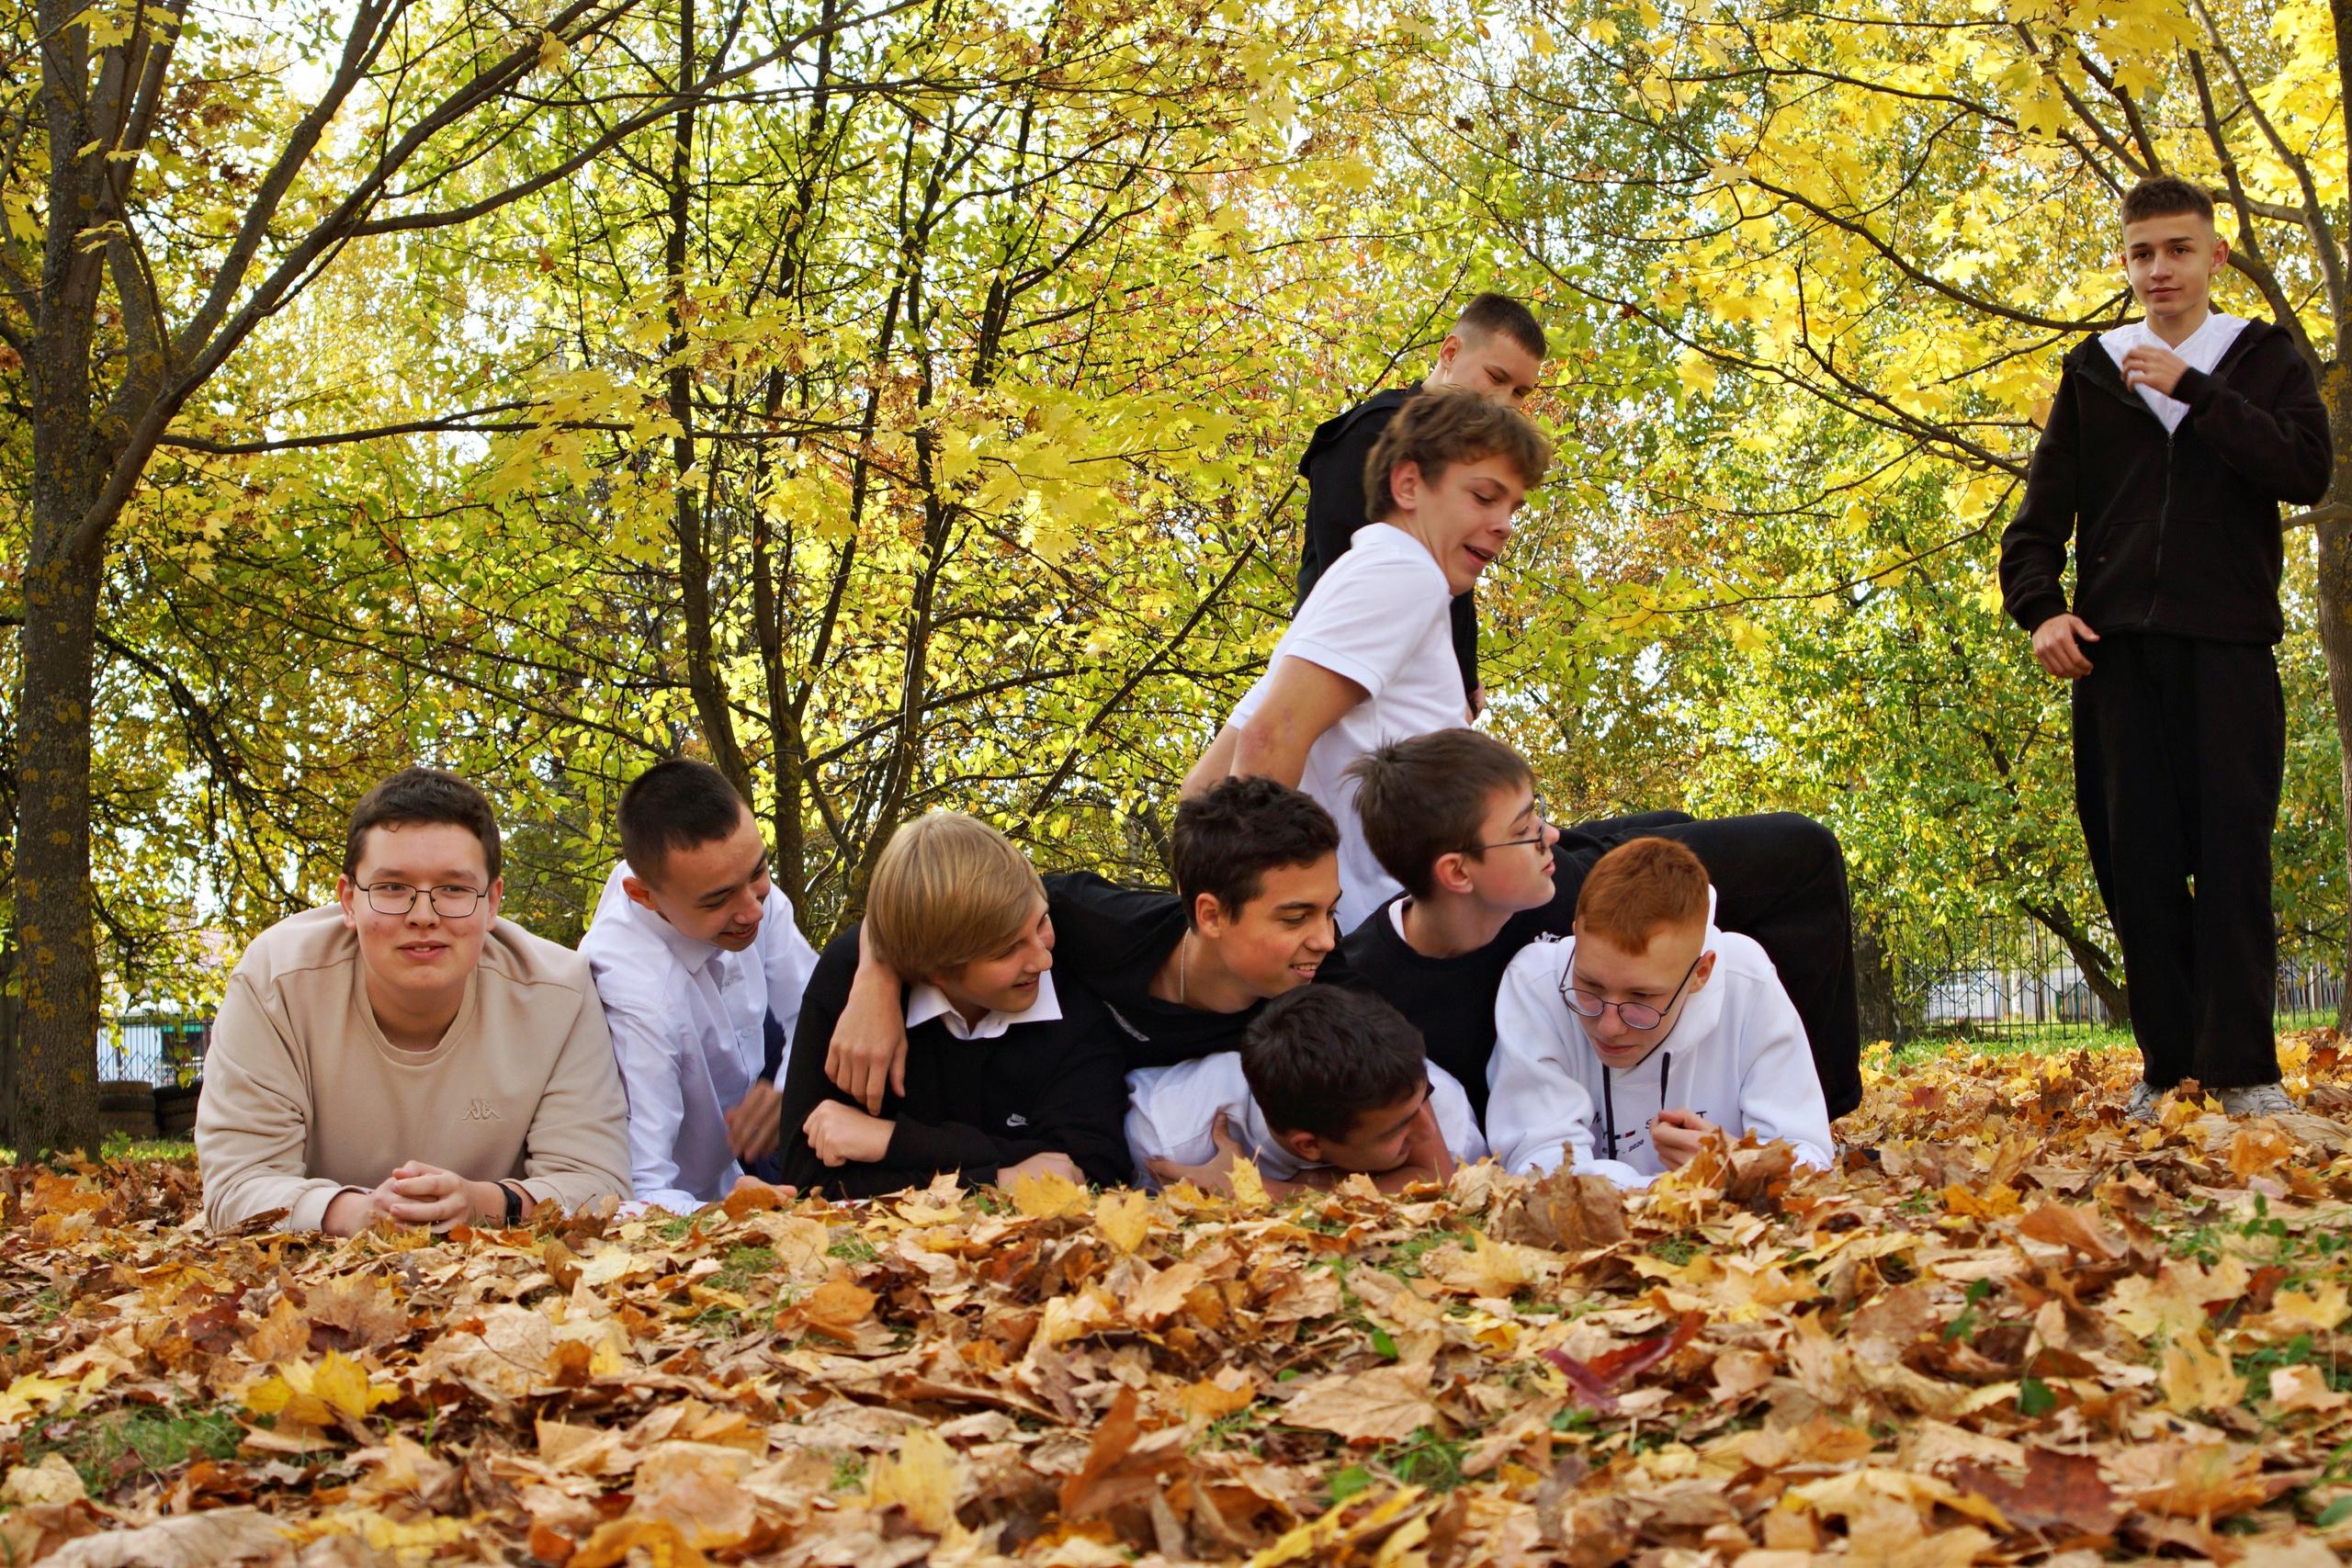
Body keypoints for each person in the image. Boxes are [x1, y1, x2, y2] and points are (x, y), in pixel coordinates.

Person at [1998, 175, 2332, 1122]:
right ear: (2124, 261)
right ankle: (2170, 1071)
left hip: (2228, 652)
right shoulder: (2093, 370)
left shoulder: (2262, 358)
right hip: (2114, 662)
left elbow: (2304, 470)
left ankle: (2243, 1075)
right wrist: (2041, 613)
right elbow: (2034, 526)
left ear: (2215, 257)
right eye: (2141, 252)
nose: (2159, 270)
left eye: (2178, 249)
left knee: (2232, 862)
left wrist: (2198, 391)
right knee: (2133, 867)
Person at [1341, 728, 1862, 1122]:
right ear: (1457, 872)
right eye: (1525, 829)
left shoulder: (1552, 878)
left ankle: (1822, 1107)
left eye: (1538, 813)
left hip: (1592, 863)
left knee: (1799, 848)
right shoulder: (1369, 993)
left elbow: (1584, 848)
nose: (1549, 831)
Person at [198, 768, 633, 1233]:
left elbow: (597, 1182)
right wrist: (360, 1213)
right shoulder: (275, 982)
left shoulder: (558, 995)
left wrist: (478, 1203)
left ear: (491, 903)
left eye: (454, 889)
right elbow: (235, 1184)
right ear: (349, 901)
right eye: (392, 888)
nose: (423, 915)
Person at [1184, 389, 1553, 929]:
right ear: (1408, 485)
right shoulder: (1405, 574)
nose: (1504, 524)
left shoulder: (1348, 585)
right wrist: (1271, 931)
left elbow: (1203, 789)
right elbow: (1271, 738)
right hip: (1406, 930)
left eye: (1512, 507)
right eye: (1483, 497)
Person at [821, 776, 1355, 1111]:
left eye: (1330, 911)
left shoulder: (1332, 988)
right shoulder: (1083, 918)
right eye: (1295, 918)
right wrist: (875, 981)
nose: (1325, 939)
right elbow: (926, 905)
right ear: (1210, 915)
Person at [776, 812, 1132, 1196]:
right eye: (1007, 949)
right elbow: (810, 1183)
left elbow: (1091, 1170)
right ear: (936, 971)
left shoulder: (1071, 976)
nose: (1042, 959)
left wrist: (891, 1141)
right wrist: (1002, 1178)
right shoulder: (849, 980)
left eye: (1040, 921)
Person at [1487, 837, 1835, 1187]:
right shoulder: (1536, 983)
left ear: (1701, 974)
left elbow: (1809, 1158)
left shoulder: (1747, 981)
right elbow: (1538, 1165)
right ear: (1576, 938)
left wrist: (1741, 1164)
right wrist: (1677, 1190)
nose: (1608, 1027)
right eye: (1589, 987)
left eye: (1641, 998)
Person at [579, 759, 820, 1213]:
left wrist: (789, 1087)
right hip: (676, 1199)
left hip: (736, 1162)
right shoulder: (634, 995)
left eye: (758, 872)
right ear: (644, 896)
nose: (753, 910)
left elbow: (811, 1004)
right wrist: (732, 1211)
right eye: (718, 900)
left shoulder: (737, 885)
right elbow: (642, 1187)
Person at [1295, 292, 1547, 711]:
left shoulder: (1464, 459)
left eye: (1520, 392)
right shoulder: (1374, 433)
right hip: (1347, 682)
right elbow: (1350, 578)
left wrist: (1464, 676)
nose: (1505, 402)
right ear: (1450, 351)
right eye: (1496, 377)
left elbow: (1448, 577)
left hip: (1416, 689)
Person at [1126, 986, 1487, 1197]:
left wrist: (1266, 1192)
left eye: (1421, 1100)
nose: (1428, 1128)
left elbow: (1438, 1180)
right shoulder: (1171, 1138)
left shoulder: (1441, 1103)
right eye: (1398, 1129)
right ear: (1309, 1145)